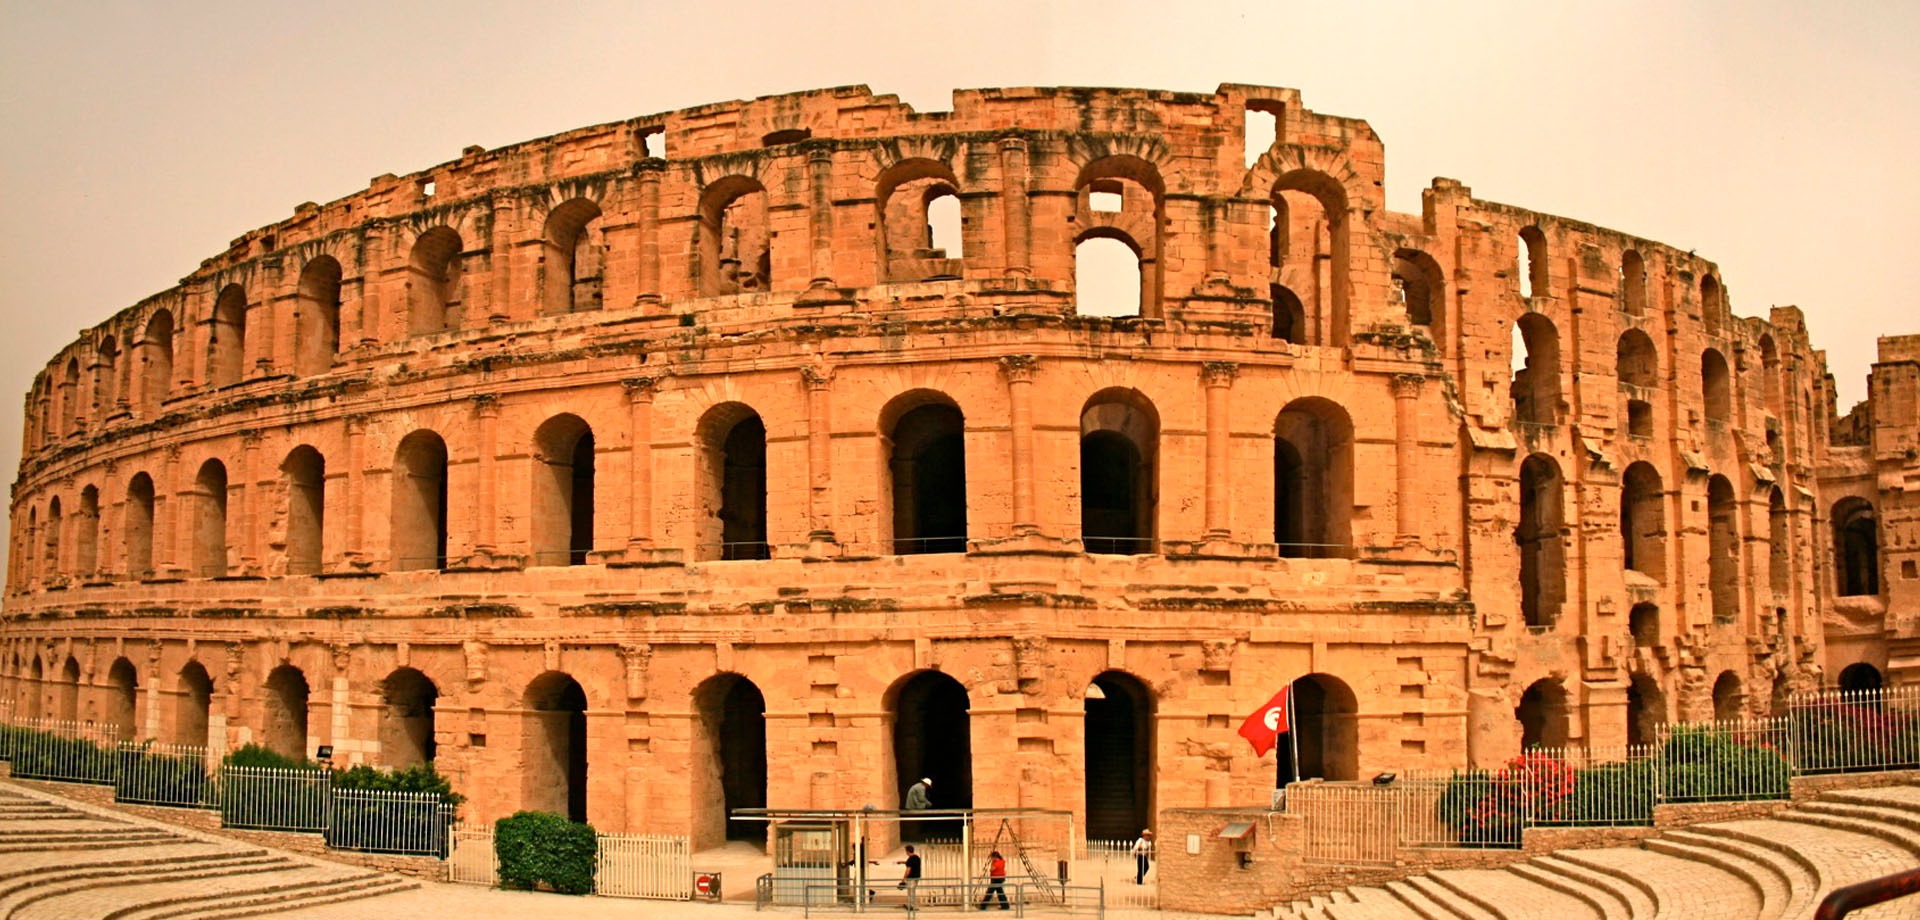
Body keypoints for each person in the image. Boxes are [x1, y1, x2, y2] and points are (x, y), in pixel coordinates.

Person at [898, 844, 922, 910]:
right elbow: (910, 863)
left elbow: (908, 870)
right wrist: (902, 862)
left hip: (911, 878)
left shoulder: (910, 859)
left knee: (910, 892)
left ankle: (912, 906)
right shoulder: (917, 857)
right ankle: (911, 905)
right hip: (917, 877)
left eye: (906, 851)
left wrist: (903, 879)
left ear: (907, 851)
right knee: (913, 891)